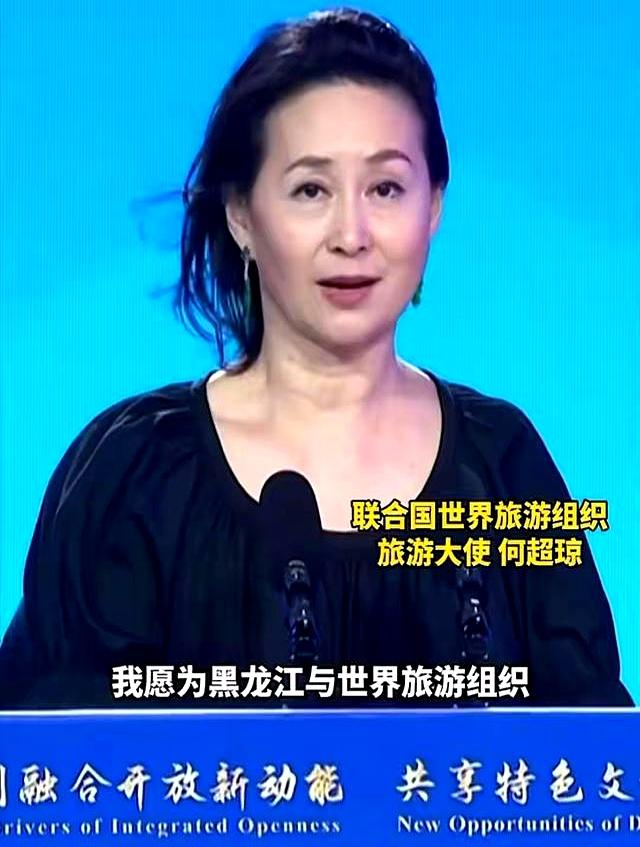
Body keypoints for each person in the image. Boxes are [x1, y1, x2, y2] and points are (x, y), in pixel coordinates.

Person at [0, 7, 632, 709]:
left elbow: (591, 754)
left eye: (386, 188)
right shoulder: (133, 478)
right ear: (241, 213)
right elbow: (50, 759)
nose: (351, 234)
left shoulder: (503, 469)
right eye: (310, 190)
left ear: (433, 208)